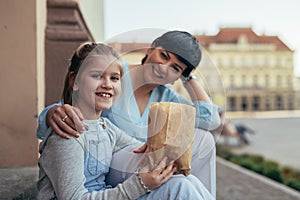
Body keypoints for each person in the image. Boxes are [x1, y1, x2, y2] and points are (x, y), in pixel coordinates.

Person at [37, 30, 220, 197]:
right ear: (150, 49)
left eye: (175, 68)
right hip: (110, 168)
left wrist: (189, 77)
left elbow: (210, 119)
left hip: (135, 162)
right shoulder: (112, 71)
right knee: (179, 186)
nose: (164, 68)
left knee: (204, 143)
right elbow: (69, 110)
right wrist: (51, 113)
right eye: (163, 56)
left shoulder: (166, 96)